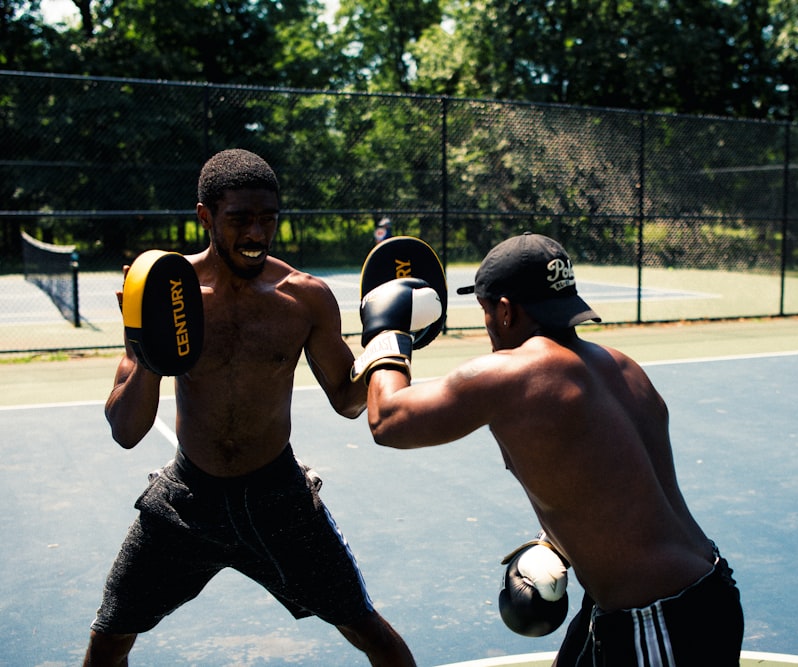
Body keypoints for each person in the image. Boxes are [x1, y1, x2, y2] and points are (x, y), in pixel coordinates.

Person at [84, 149, 416, 666]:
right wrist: (146, 341)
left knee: (371, 633)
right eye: (240, 219)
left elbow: (348, 403)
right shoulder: (165, 293)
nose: (257, 233)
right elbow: (126, 430)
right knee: (107, 641)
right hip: (188, 497)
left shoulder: (304, 298)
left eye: (268, 219)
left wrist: (389, 347)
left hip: (278, 496)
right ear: (205, 217)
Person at [358, 232, 744, 666]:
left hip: (656, 621)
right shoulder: (622, 366)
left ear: (505, 311)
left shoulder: (514, 374)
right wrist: (555, 543)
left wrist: (386, 333)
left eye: (486, 313)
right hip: (703, 590)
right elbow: (624, 486)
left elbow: (388, 419)